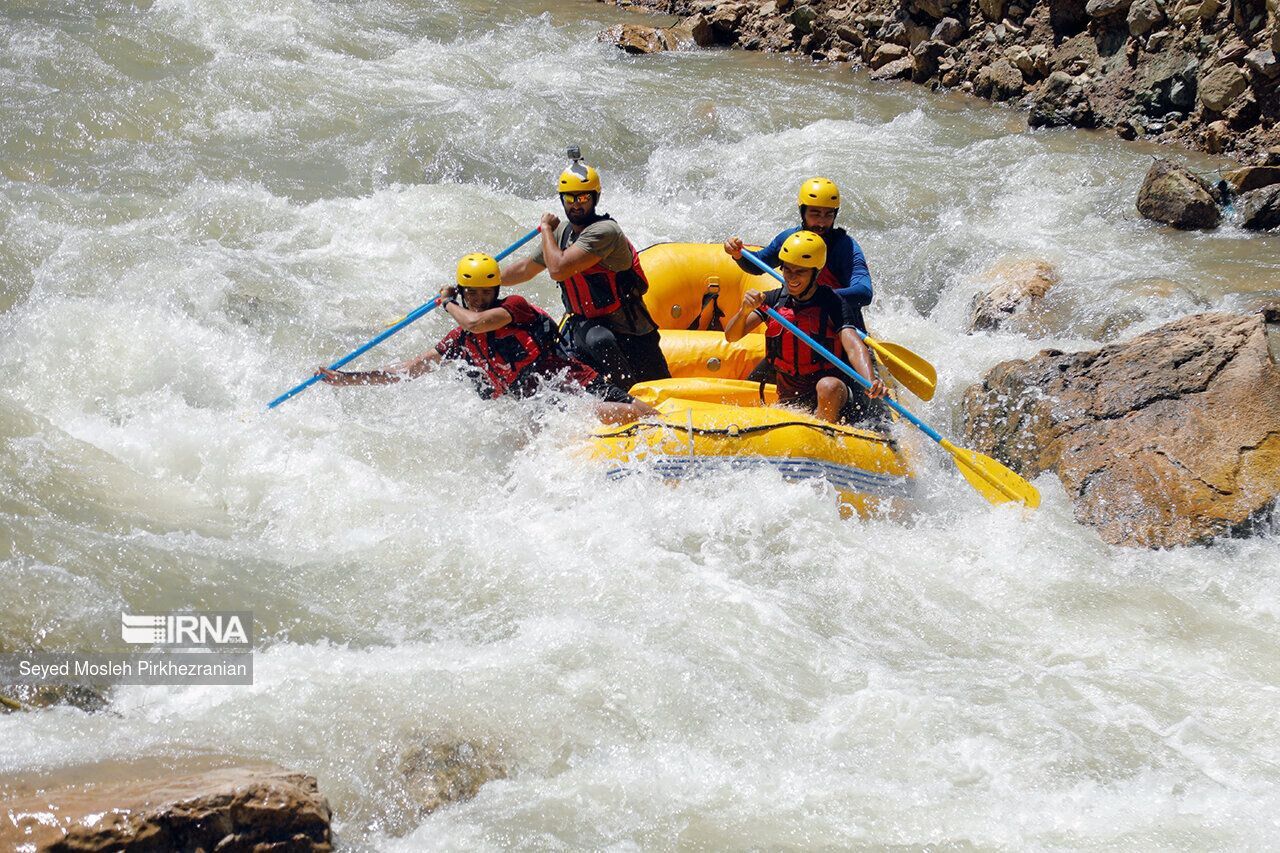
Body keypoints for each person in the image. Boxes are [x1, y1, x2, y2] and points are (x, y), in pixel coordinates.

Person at [316, 253, 658, 425]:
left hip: (570, 382)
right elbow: (408, 369)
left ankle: (667, 424)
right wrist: (347, 379)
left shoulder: (514, 307)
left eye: (486, 291)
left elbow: (478, 322)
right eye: (473, 293)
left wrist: (447, 302)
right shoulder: (458, 341)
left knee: (631, 410)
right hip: (537, 405)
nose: (480, 298)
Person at [499, 150, 670, 389]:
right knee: (600, 339)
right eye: (570, 199)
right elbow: (526, 269)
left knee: (659, 385)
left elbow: (558, 270)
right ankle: (627, 399)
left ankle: (631, 399)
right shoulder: (561, 234)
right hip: (588, 330)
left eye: (583, 198)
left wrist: (546, 229)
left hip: (632, 330)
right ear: (562, 200)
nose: (576, 205)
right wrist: (485, 282)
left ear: (595, 198)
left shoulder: (605, 231)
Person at [723, 231, 886, 425]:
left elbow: (853, 346)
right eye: (788, 270)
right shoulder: (774, 300)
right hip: (789, 395)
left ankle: (825, 436)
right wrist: (744, 311)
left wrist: (870, 380)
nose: (792, 277)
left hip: (831, 395)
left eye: (800, 271)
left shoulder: (833, 303)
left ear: (815, 273)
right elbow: (731, 336)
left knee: (828, 386)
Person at [722, 176, 874, 309]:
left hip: (836, 317)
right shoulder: (789, 239)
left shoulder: (845, 247)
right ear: (803, 212)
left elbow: (863, 292)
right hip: (799, 317)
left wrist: (815, 296)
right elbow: (758, 264)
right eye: (815, 213)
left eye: (828, 215)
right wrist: (738, 254)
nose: (821, 222)